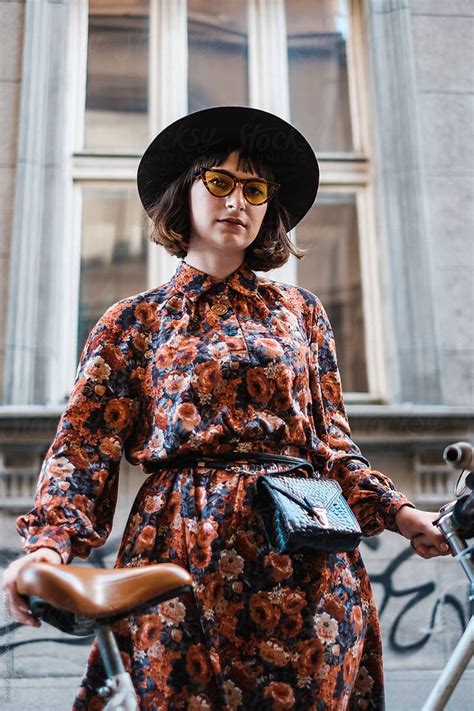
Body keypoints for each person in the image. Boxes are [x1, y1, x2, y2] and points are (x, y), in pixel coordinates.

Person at [3, 106, 449, 710]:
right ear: (184, 194)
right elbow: (83, 448)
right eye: (220, 182)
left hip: (306, 564)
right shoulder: (134, 322)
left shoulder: (301, 314)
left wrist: (398, 513)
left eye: (255, 189)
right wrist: (49, 545)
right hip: (180, 551)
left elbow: (332, 444)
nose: (237, 201)